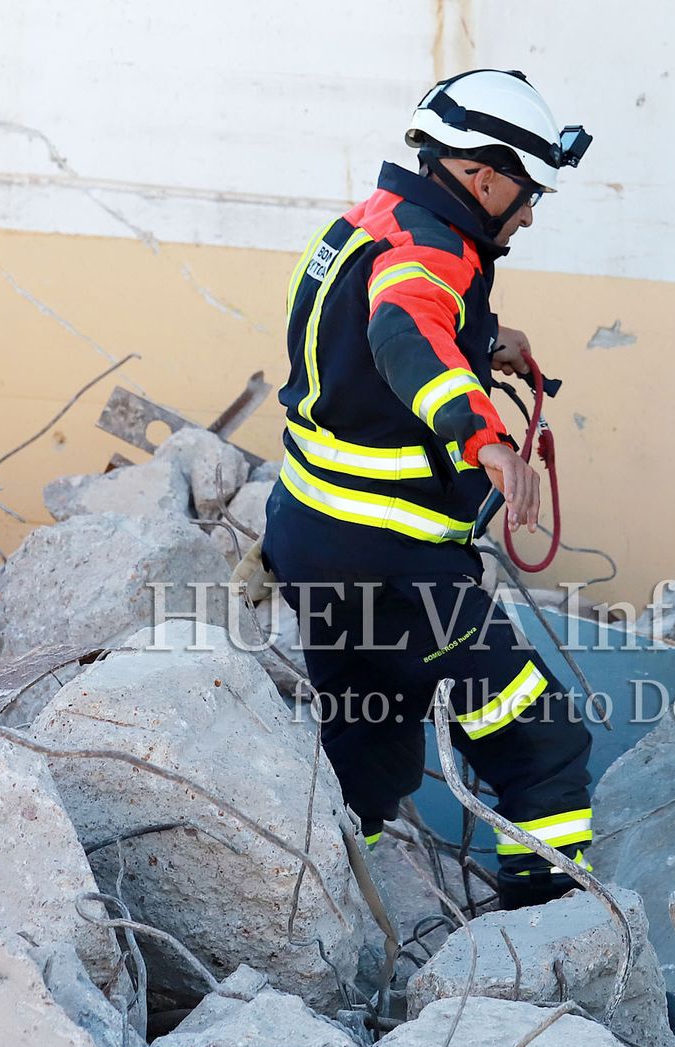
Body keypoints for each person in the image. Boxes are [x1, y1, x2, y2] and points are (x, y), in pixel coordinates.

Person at [255, 69, 596, 911]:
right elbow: (404, 328)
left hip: (310, 535)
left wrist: (483, 339)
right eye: (527, 195)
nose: (527, 215)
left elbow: (376, 339)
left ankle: (326, 914)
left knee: (368, 750)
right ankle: (553, 943)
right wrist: (487, 441)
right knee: (541, 742)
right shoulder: (435, 252)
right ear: (483, 175)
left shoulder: (366, 222)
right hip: (395, 563)